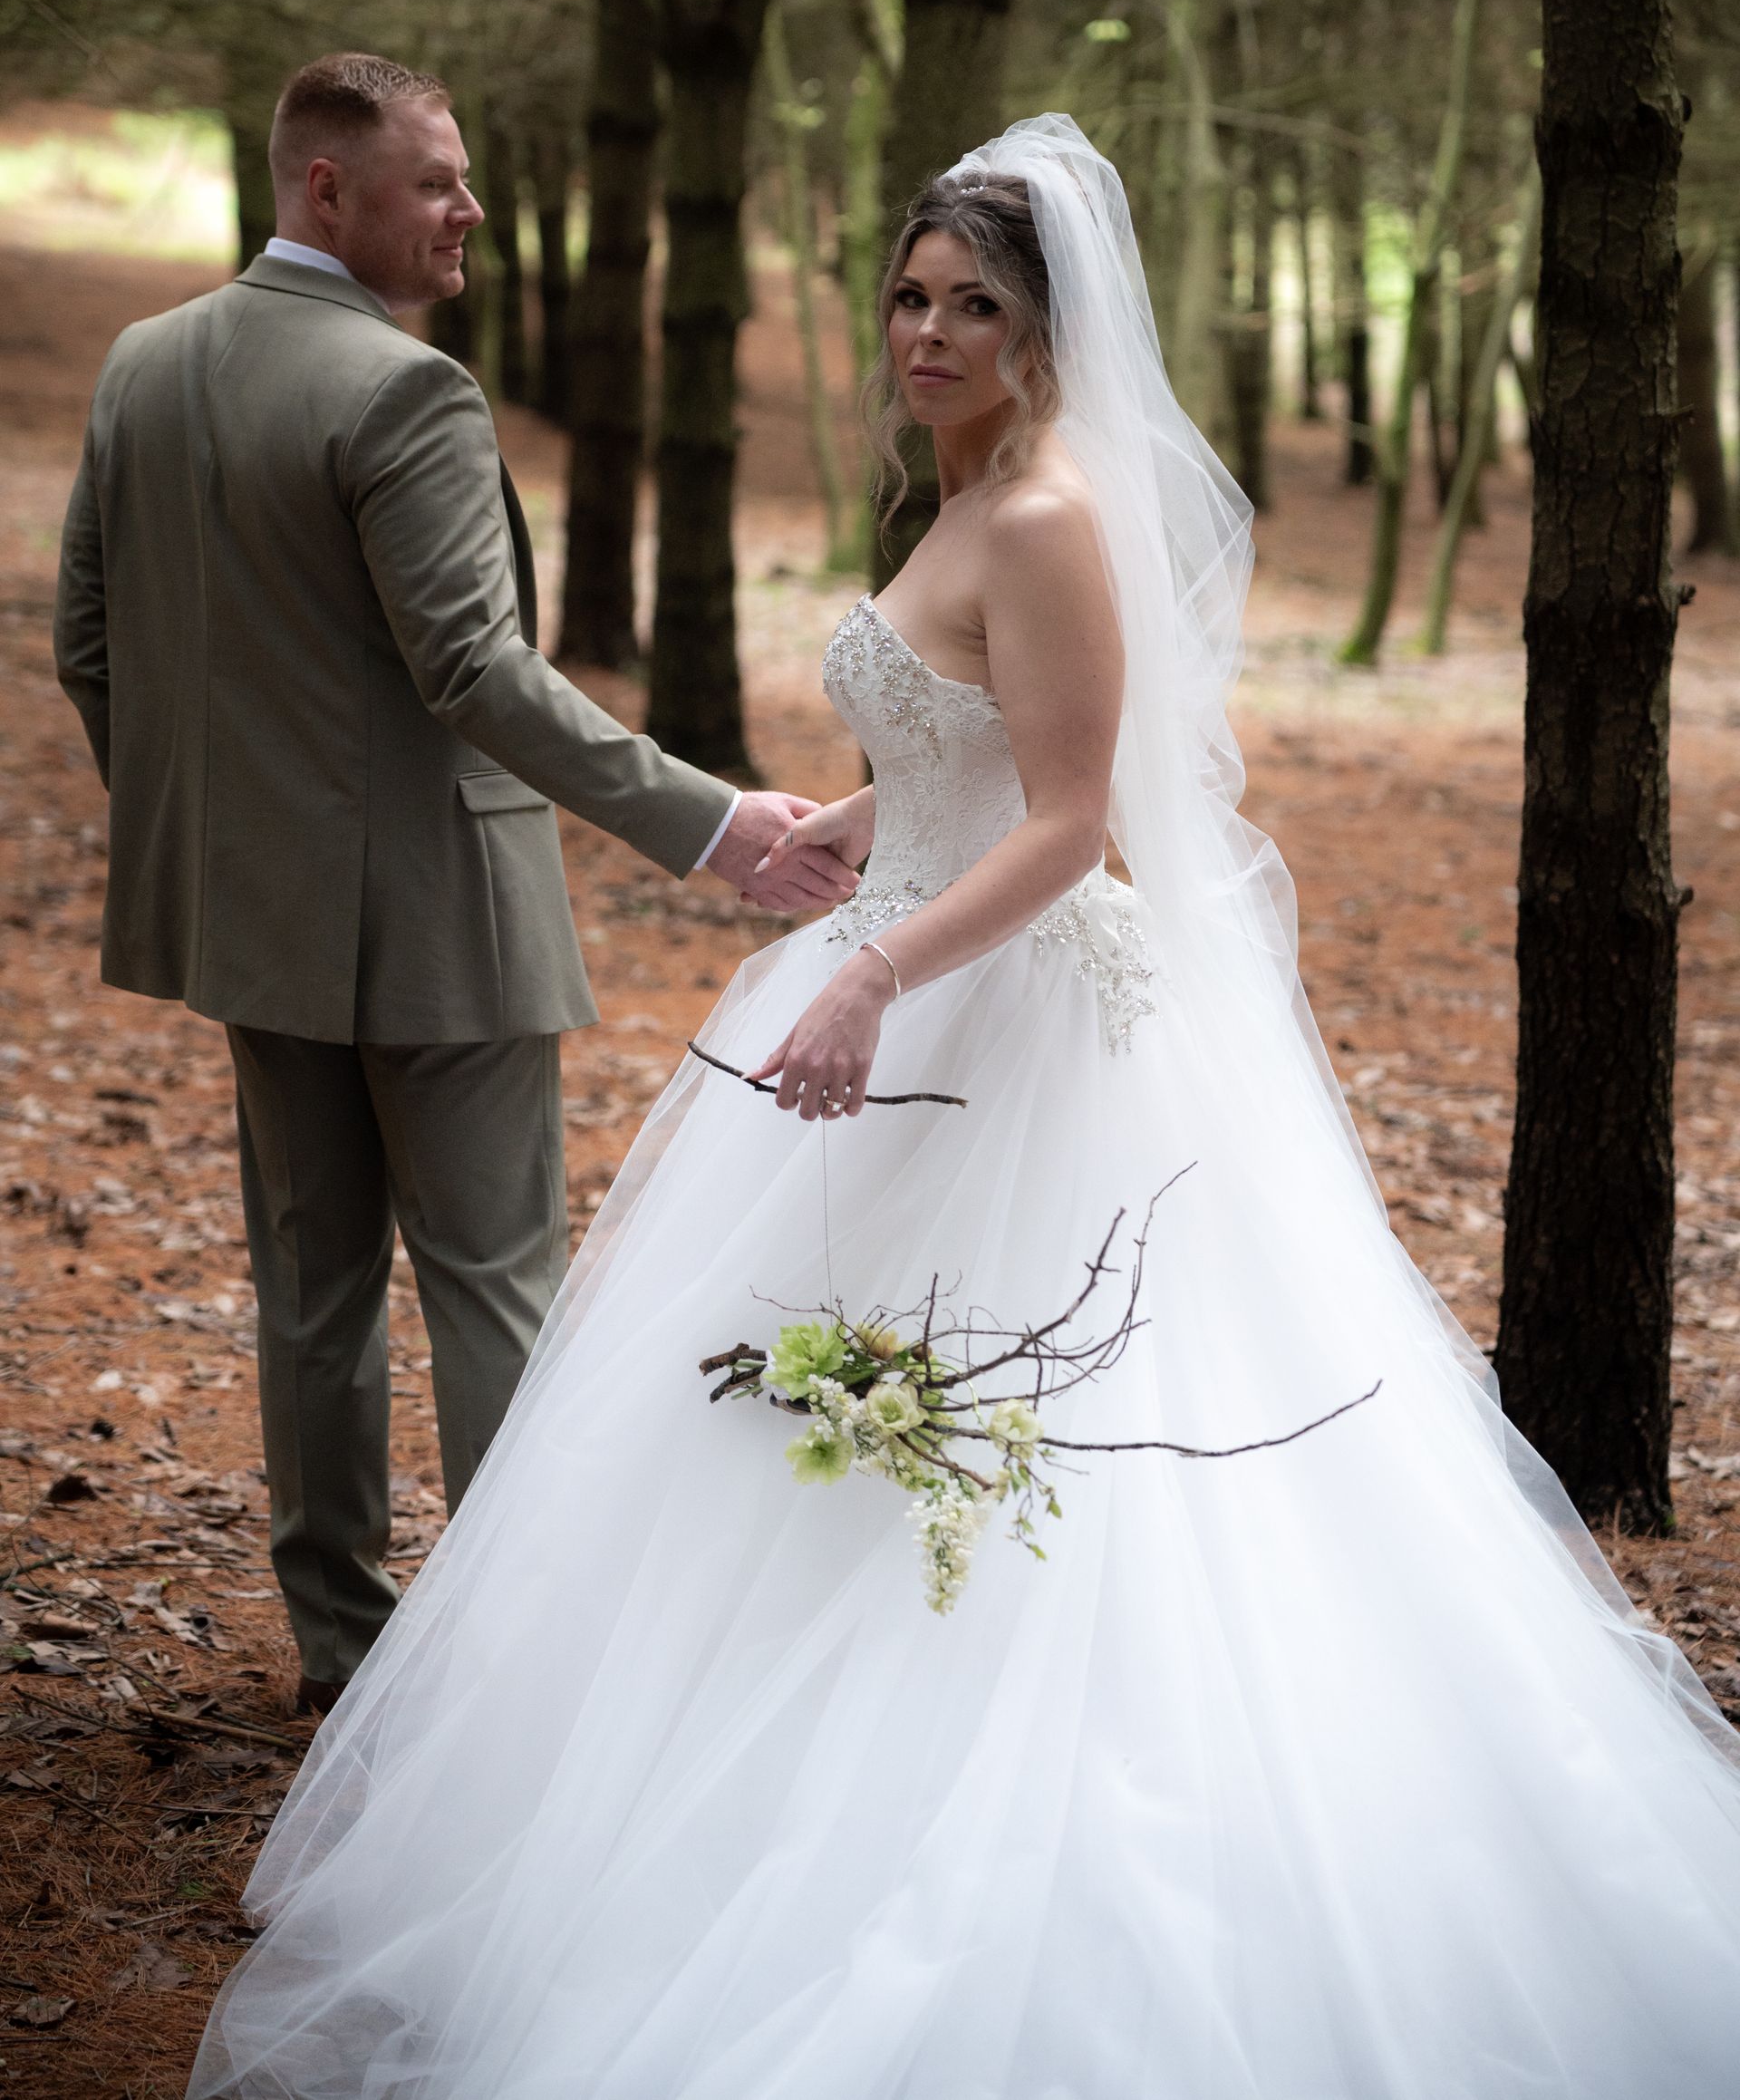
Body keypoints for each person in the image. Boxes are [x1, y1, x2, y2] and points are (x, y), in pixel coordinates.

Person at [190, 119, 1740, 2098]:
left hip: (1003, 1032)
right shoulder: (960, 493)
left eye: (972, 304)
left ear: (1047, 324)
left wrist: (868, 970)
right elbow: (973, 760)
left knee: (1029, 1439)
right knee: (799, 1420)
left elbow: (1083, 824)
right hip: (903, 980)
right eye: (911, 296)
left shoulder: (1049, 514)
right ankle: (738, 1806)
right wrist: (837, 834)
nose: (927, 330)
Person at [53, 51, 854, 1717]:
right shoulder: (403, 390)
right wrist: (709, 822)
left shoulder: (145, 366)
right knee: (495, 1289)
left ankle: (343, 1652)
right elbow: (477, 672)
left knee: (311, 1291)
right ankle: (513, 1692)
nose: (471, 209)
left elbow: (90, 647)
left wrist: (225, 841)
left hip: (249, 926)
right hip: (441, 931)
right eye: (438, 180)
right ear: (326, 189)